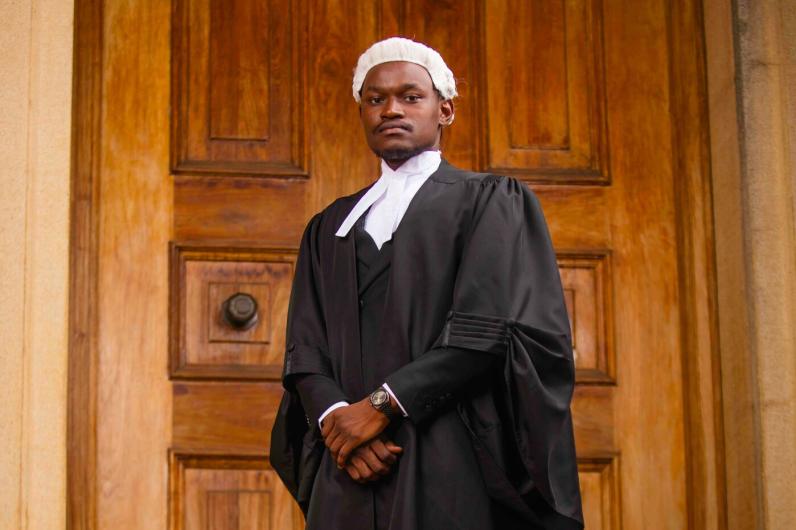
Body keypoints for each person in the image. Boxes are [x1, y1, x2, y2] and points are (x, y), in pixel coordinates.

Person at [270, 37, 583, 530]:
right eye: (375, 99)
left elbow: (486, 331)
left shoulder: (490, 201)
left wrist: (379, 408)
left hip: (448, 454)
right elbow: (306, 348)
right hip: (349, 464)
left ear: (445, 110)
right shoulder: (328, 227)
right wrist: (337, 421)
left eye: (411, 96)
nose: (391, 109)